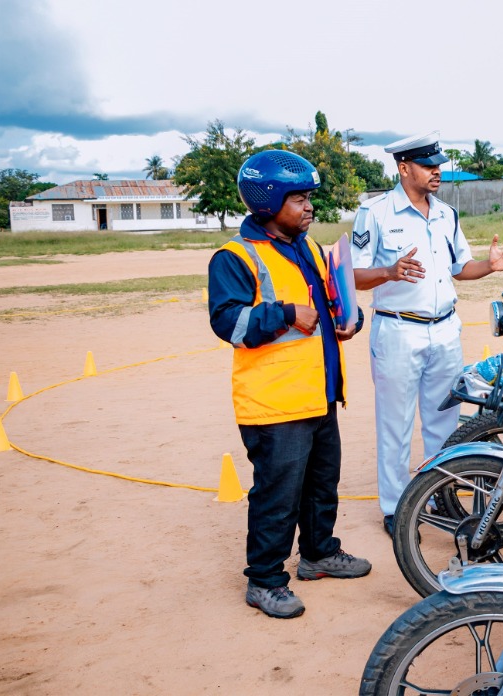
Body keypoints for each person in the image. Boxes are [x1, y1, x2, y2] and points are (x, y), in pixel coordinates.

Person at [208, 150, 370, 620]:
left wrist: (348, 320)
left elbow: (332, 305)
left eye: (309, 198)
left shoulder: (312, 249)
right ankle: (264, 580)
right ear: (268, 201)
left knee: (323, 485)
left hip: (318, 394)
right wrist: (284, 315)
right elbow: (228, 323)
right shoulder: (235, 257)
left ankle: (319, 555)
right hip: (275, 405)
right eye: (298, 198)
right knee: (277, 496)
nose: (308, 207)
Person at [351, 132, 503, 536]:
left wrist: (490, 265)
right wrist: (389, 271)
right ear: (403, 167)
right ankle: (396, 508)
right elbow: (354, 275)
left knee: (445, 423)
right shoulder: (375, 213)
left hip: (444, 329)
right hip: (397, 329)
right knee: (395, 424)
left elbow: (461, 268)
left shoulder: (446, 214)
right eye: (429, 165)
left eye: (439, 165)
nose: (437, 172)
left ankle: (439, 497)